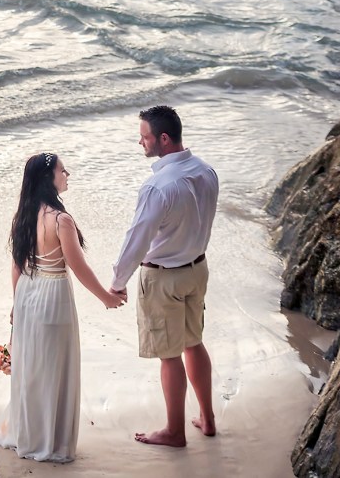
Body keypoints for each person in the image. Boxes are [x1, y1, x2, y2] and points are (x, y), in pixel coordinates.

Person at [0, 151, 125, 463]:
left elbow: (16, 266)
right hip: (52, 296)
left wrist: (16, 304)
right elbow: (78, 267)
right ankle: (50, 443)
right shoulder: (60, 220)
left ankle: (27, 434)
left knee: (32, 369)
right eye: (63, 171)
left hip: (26, 291)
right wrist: (106, 297)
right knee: (54, 369)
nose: (68, 175)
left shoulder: (23, 217)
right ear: (48, 178)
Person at [110, 105, 219, 449]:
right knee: (193, 342)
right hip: (197, 268)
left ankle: (174, 432)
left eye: (144, 136)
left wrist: (116, 283)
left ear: (164, 138)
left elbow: (137, 240)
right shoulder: (206, 171)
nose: (139, 142)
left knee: (170, 355)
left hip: (163, 278)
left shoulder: (158, 186)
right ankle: (208, 418)